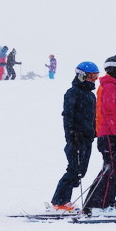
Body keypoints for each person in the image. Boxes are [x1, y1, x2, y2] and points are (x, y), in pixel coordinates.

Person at [83, 54, 116, 213]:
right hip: (110, 136)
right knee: (113, 170)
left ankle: (108, 201)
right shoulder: (109, 87)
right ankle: (98, 205)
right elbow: (109, 113)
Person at [50, 62, 100, 212]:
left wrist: (95, 130)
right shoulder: (72, 93)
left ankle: (64, 200)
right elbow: (68, 116)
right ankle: (60, 201)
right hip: (75, 138)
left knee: (81, 171)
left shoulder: (91, 95)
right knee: (74, 170)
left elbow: (93, 116)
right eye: (91, 76)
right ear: (81, 75)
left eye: (96, 76)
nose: (94, 79)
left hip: (87, 138)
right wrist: (71, 133)